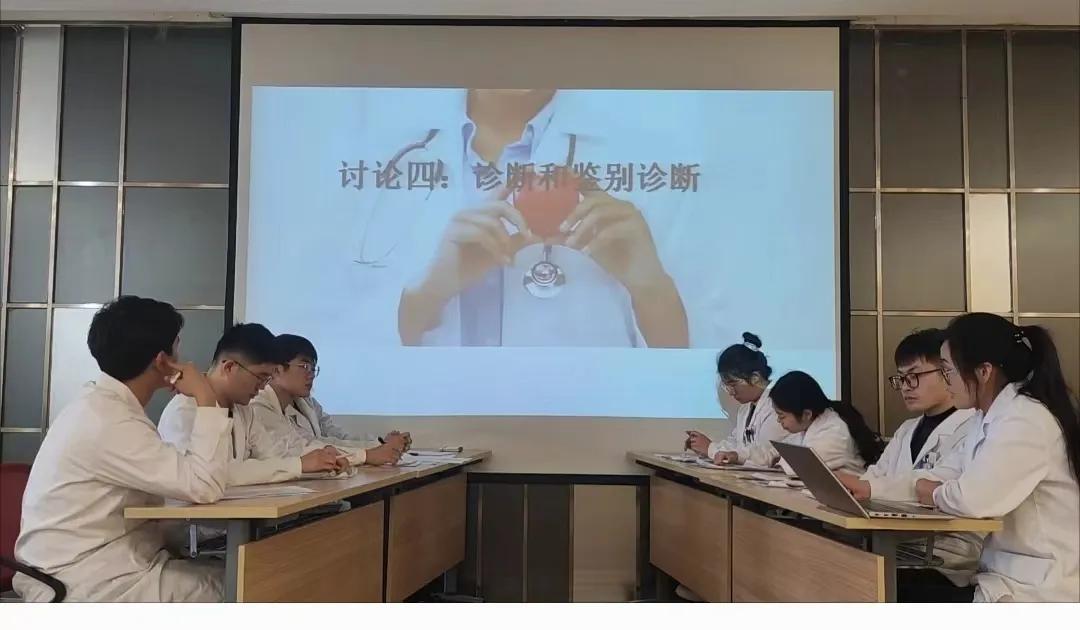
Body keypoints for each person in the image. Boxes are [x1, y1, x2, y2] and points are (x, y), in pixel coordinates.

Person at [394, 89, 690, 348]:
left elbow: (697, 357)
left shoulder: (650, 159)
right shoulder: (387, 153)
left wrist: (650, 290)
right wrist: (427, 294)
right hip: (435, 394)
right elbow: (368, 341)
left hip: (587, 394)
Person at [14, 296, 230, 602]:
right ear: (163, 361)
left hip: (100, 564)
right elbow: (204, 485)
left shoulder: (101, 406)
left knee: (240, 574)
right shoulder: (109, 420)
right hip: (84, 580)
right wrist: (205, 397)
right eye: (177, 345)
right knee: (243, 583)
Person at [914, 313, 1079, 602]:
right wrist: (877, 488)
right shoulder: (986, 417)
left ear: (984, 371)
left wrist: (935, 493)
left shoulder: (1025, 419)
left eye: (948, 371)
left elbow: (974, 499)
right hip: (1004, 574)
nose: (946, 382)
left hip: (1039, 587)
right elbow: (947, 472)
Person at [836, 328, 981, 601]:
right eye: (901, 378)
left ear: (947, 371)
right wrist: (854, 485)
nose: (905, 386)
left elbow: (940, 484)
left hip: (950, 558)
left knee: (852, 584)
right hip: (900, 547)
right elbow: (877, 474)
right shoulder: (907, 429)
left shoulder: (972, 426)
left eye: (914, 376)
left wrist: (870, 487)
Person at [158, 324, 345, 486]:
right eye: (260, 377)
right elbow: (213, 473)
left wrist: (323, 458)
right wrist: (299, 465)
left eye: (267, 379)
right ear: (229, 367)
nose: (262, 387)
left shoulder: (243, 409)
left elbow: (272, 455)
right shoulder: (184, 410)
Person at [248, 334, 406, 465]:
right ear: (277, 370)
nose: (311, 375)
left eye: (313, 368)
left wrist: (380, 445)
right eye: (304, 367)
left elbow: (335, 438)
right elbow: (299, 449)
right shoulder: (259, 405)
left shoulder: (306, 402)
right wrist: (367, 455)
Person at [685, 332, 789, 465]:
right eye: (726, 386)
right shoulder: (746, 408)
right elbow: (736, 444)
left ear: (755, 378)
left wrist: (711, 449)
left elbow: (766, 452)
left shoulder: (779, 405)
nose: (730, 392)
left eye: (733, 384)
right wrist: (707, 447)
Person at [768, 370, 883, 475]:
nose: (778, 420)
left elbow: (799, 467)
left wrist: (778, 460)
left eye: (781, 416)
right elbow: (778, 451)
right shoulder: (809, 426)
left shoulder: (835, 432)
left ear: (807, 414)